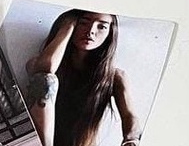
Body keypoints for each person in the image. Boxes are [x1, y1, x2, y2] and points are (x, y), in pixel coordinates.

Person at [25, 10, 141, 146]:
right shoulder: (36, 63)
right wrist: (67, 27)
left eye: (101, 27)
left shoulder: (114, 77)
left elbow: (129, 115)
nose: (91, 31)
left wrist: (131, 140)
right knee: (45, 80)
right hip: (39, 142)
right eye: (83, 23)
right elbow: (46, 68)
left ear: (109, 34)